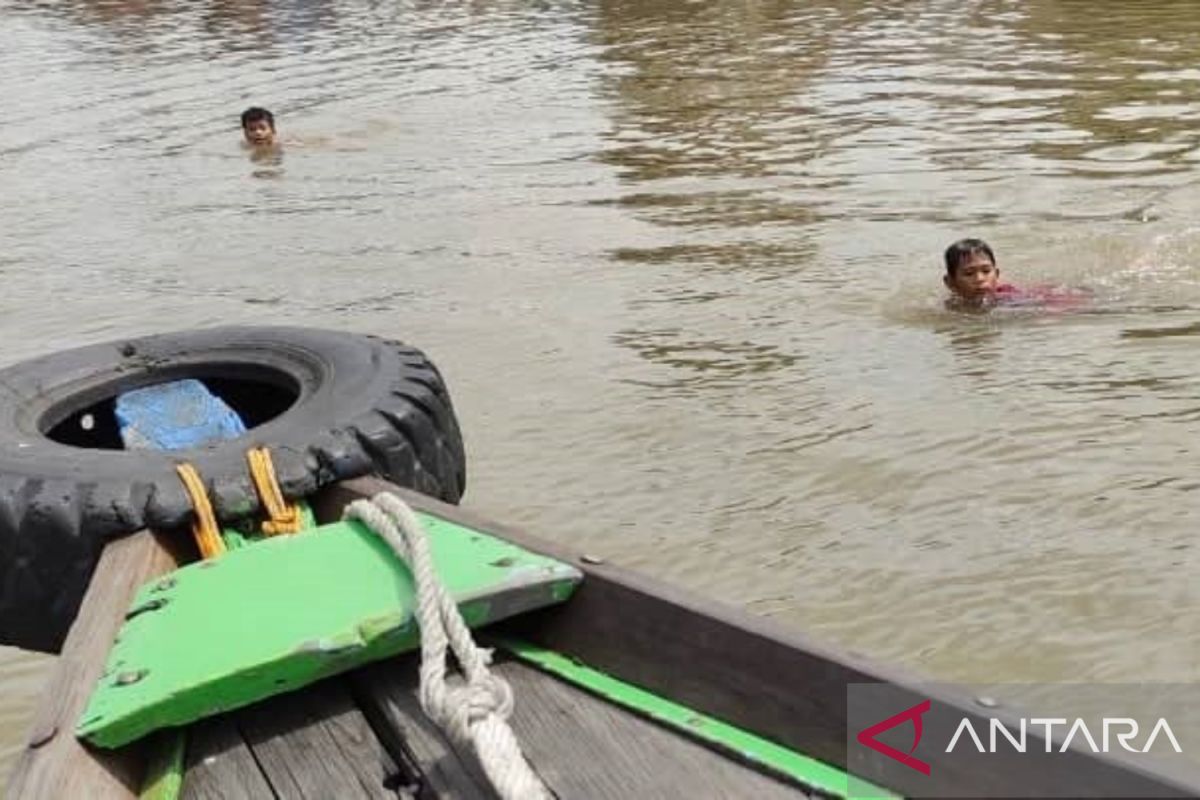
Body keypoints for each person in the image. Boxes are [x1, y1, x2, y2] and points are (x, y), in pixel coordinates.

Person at [942, 237, 1088, 311]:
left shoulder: (1008, 299)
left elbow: (1050, 304)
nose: (980, 279)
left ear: (997, 274)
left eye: (986, 271)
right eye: (969, 273)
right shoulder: (949, 306)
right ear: (950, 283)